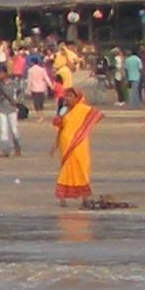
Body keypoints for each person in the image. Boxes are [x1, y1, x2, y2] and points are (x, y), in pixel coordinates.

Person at [51, 75, 96, 206]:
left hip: (80, 145)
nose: (67, 98)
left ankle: (85, 198)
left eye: (70, 96)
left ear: (77, 98)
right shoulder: (64, 110)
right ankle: (62, 198)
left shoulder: (84, 110)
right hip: (66, 145)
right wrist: (55, 143)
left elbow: (94, 118)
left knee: (82, 168)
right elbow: (59, 127)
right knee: (66, 169)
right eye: (66, 96)